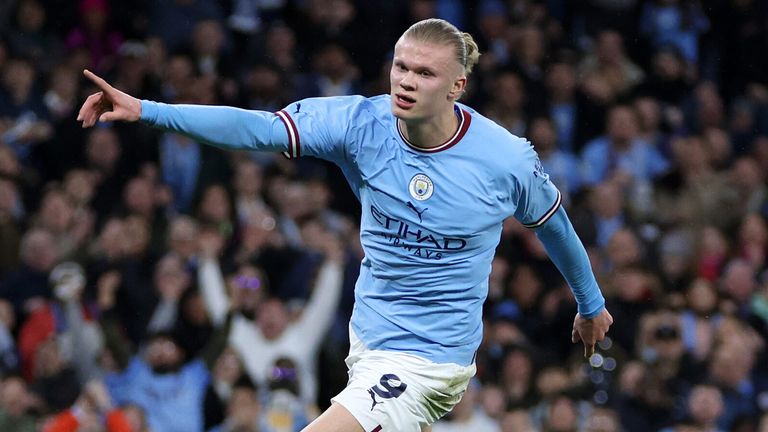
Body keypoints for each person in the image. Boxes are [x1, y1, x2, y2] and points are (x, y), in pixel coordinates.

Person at [78, 17, 613, 432]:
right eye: (400, 66)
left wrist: (591, 305)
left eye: (424, 73)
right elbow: (257, 129)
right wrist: (149, 110)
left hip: (431, 360)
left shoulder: (506, 159)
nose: (405, 81)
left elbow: (555, 227)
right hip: (368, 340)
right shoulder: (360, 123)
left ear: (457, 86)